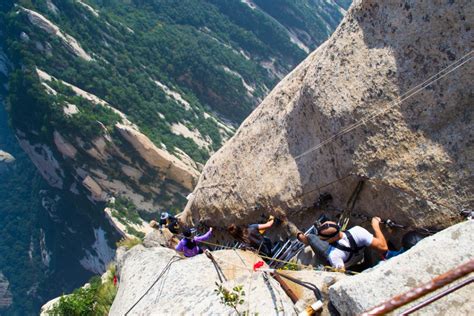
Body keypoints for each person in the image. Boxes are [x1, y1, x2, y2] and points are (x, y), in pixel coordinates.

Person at [295, 217, 388, 271]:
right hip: (358, 256)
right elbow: (383, 248)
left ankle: (304, 238)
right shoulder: (358, 231)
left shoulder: (333, 255)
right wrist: (375, 226)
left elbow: (340, 274)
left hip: (339, 259)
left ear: (332, 238)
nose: (322, 240)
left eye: (323, 239)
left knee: (311, 237)